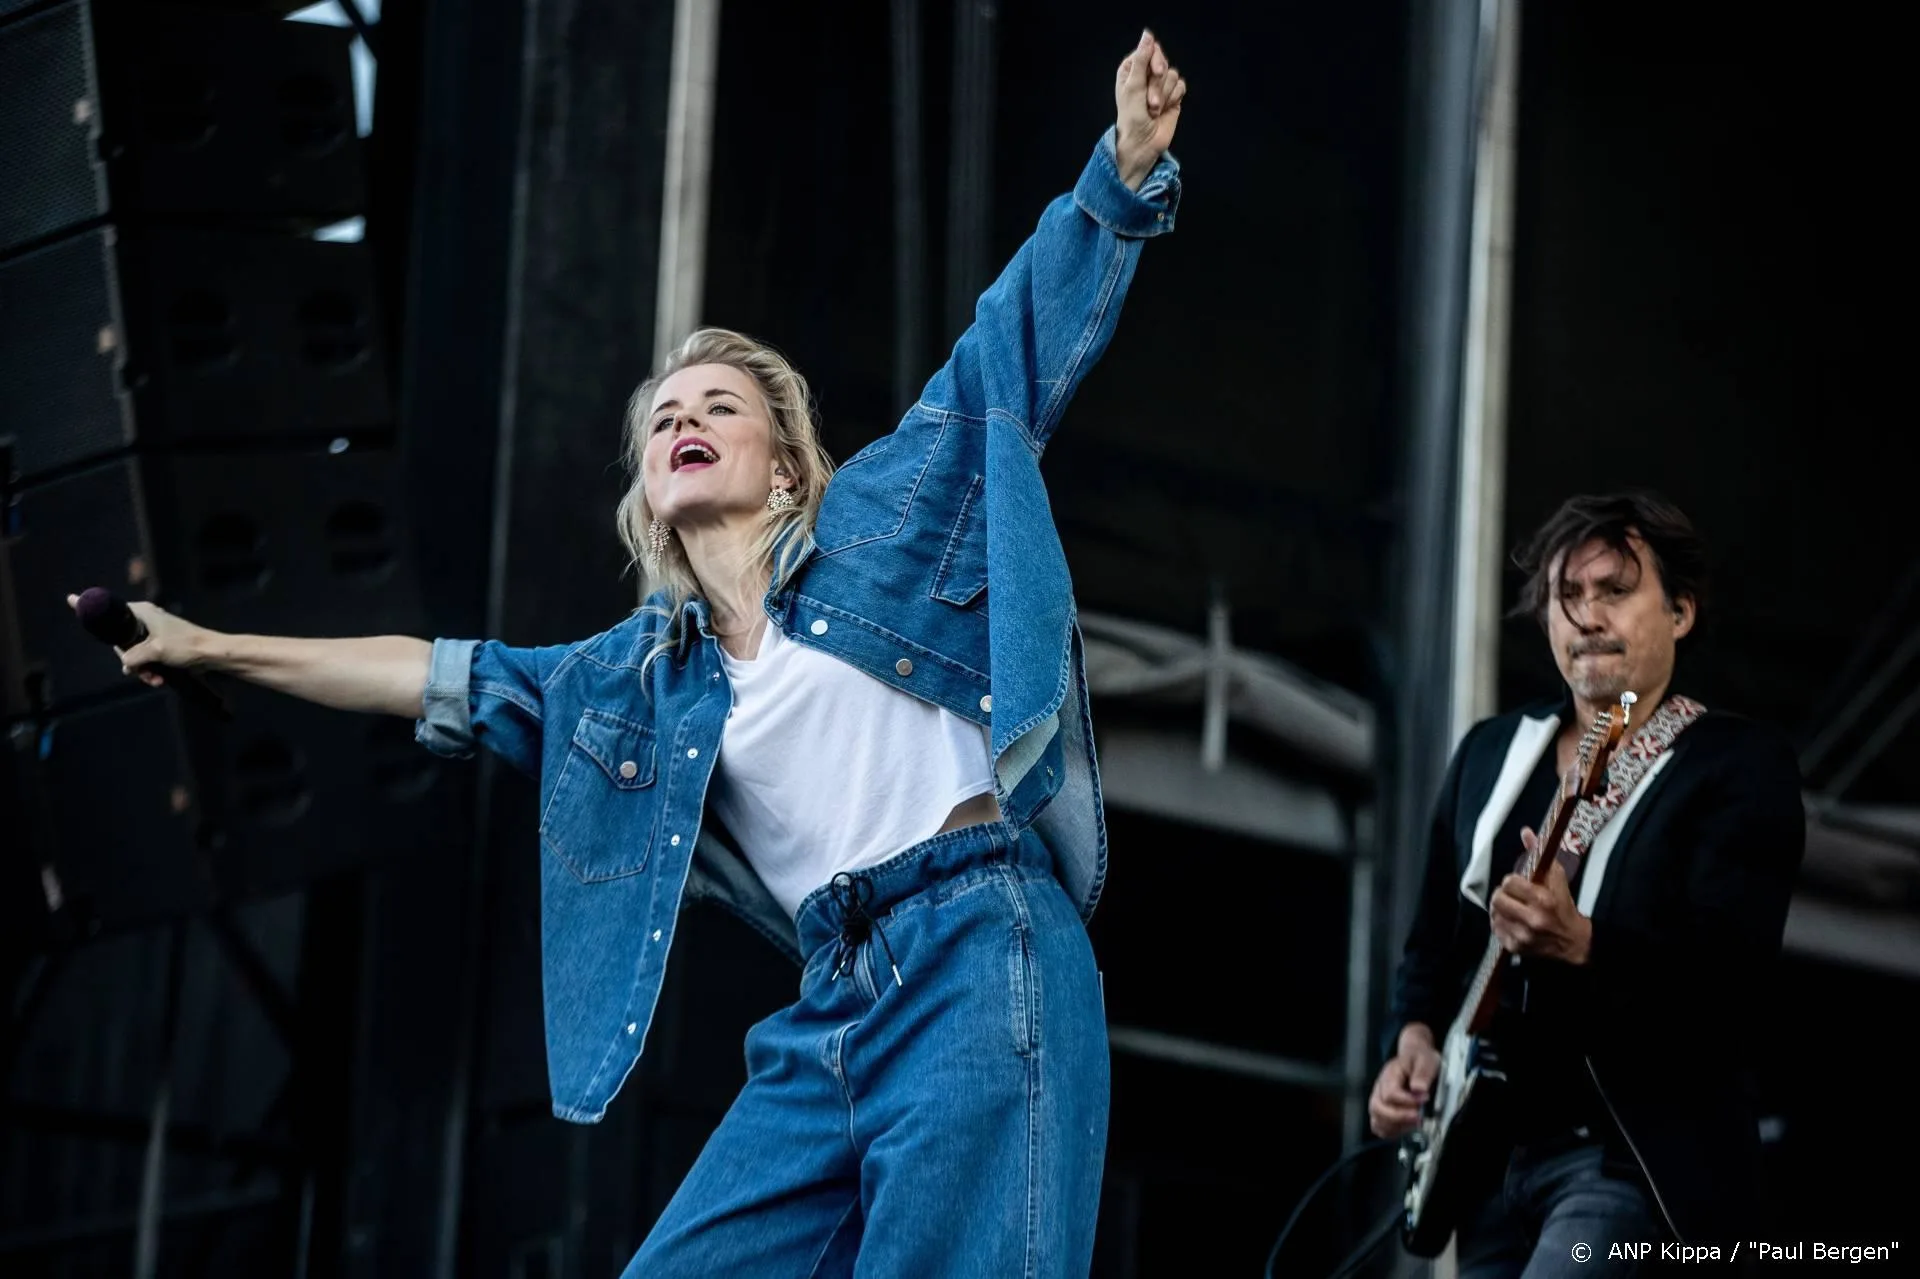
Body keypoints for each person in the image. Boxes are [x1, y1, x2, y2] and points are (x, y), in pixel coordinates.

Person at [70, 29, 1187, 1276]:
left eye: (720, 405)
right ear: (649, 487)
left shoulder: (884, 508)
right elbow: (434, 675)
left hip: (978, 947)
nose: (685, 419)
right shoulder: (633, 685)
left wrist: (1120, 173)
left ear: (786, 461)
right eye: (664, 414)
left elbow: (1007, 351)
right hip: (833, 998)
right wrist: (211, 644)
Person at [1369, 492, 1806, 1277]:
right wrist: (1413, 1042)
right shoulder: (1490, 753)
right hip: (1490, 1164)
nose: (1586, 616)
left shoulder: (1736, 766)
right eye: (1567, 597)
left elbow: (1732, 981)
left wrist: (1585, 944)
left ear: (1680, 611)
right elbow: (1435, 943)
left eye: (1614, 591)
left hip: (1625, 1156)